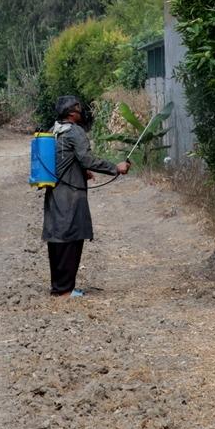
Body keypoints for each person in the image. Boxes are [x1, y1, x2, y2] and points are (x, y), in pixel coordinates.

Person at [41, 95, 131, 297]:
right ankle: (65, 290)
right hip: (71, 195)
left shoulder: (53, 130)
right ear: (72, 113)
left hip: (54, 191)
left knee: (57, 237)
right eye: (79, 109)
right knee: (71, 238)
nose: (81, 112)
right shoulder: (75, 131)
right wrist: (115, 167)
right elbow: (87, 158)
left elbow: (65, 159)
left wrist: (81, 171)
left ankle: (59, 286)